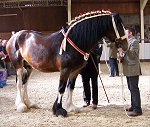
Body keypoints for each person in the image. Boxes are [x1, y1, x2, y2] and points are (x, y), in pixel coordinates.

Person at [118, 27, 142, 117]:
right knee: (131, 88)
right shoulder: (127, 42)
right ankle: (133, 106)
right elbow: (126, 55)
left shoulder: (134, 41)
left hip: (133, 69)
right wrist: (121, 57)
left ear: (130, 33)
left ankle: (137, 109)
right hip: (128, 69)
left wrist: (124, 50)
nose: (124, 34)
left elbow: (133, 55)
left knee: (134, 89)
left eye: (125, 32)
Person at [80, 44, 101, 109]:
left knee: (94, 85)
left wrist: (89, 50)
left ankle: (95, 102)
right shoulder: (82, 43)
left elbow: (98, 52)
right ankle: (87, 101)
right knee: (85, 84)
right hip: (84, 67)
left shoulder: (95, 43)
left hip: (93, 67)